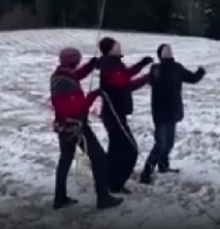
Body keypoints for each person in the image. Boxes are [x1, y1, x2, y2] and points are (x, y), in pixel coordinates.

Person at [50, 47, 124, 211]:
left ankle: (60, 197)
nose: (78, 64)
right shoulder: (64, 83)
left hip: (64, 127)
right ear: (72, 61)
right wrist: (94, 95)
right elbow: (76, 108)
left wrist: (91, 65)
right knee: (99, 158)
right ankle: (103, 198)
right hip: (76, 127)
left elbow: (77, 76)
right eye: (77, 61)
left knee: (65, 160)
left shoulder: (60, 75)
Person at [140, 43, 205, 184]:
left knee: (169, 143)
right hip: (160, 111)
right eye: (165, 49)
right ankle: (146, 173)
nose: (168, 50)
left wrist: (200, 72)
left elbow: (192, 78)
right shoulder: (156, 68)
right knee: (160, 143)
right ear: (160, 54)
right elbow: (150, 81)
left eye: (170, 48)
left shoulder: (177, 67)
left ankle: (163, 166)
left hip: (173, 111)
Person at [97, 37, 153, 194]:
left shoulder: (114, 63)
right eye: (116, 45)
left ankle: (108, 181)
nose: (120, 46)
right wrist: (147, 78)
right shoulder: (109, 66)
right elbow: (124, 85)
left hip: (115, 114)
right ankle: (115, 184)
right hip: (113, 115)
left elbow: (125, 74)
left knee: (116, 149)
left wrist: (142, 64)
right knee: (130, 150)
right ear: (110, 49)